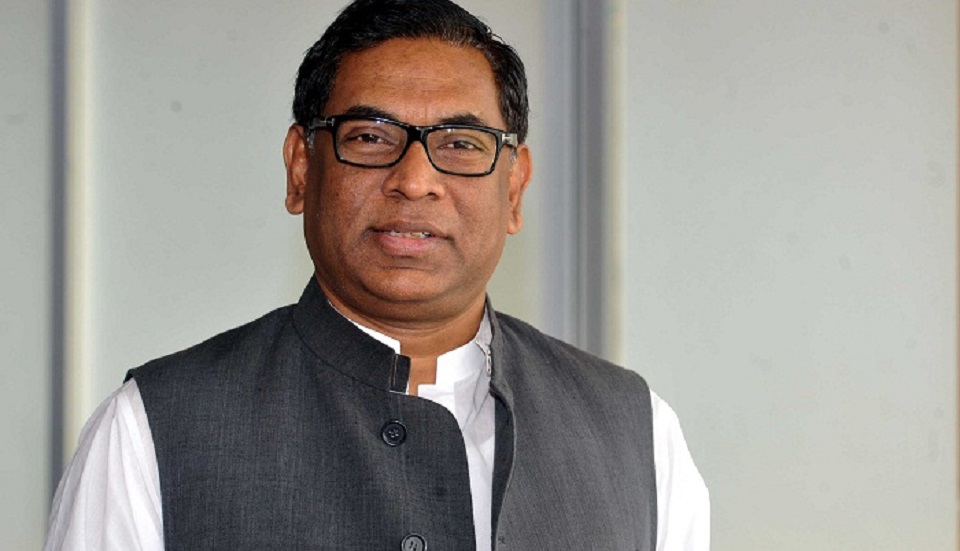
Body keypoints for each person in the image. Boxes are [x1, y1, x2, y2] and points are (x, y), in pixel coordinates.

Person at [44, 0, 709, 549]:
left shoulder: (637, 436)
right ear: (301, 168)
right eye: (370, 136)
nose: (415, 180)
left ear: (514, 189)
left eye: (460, 143)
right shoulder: (152, 430)